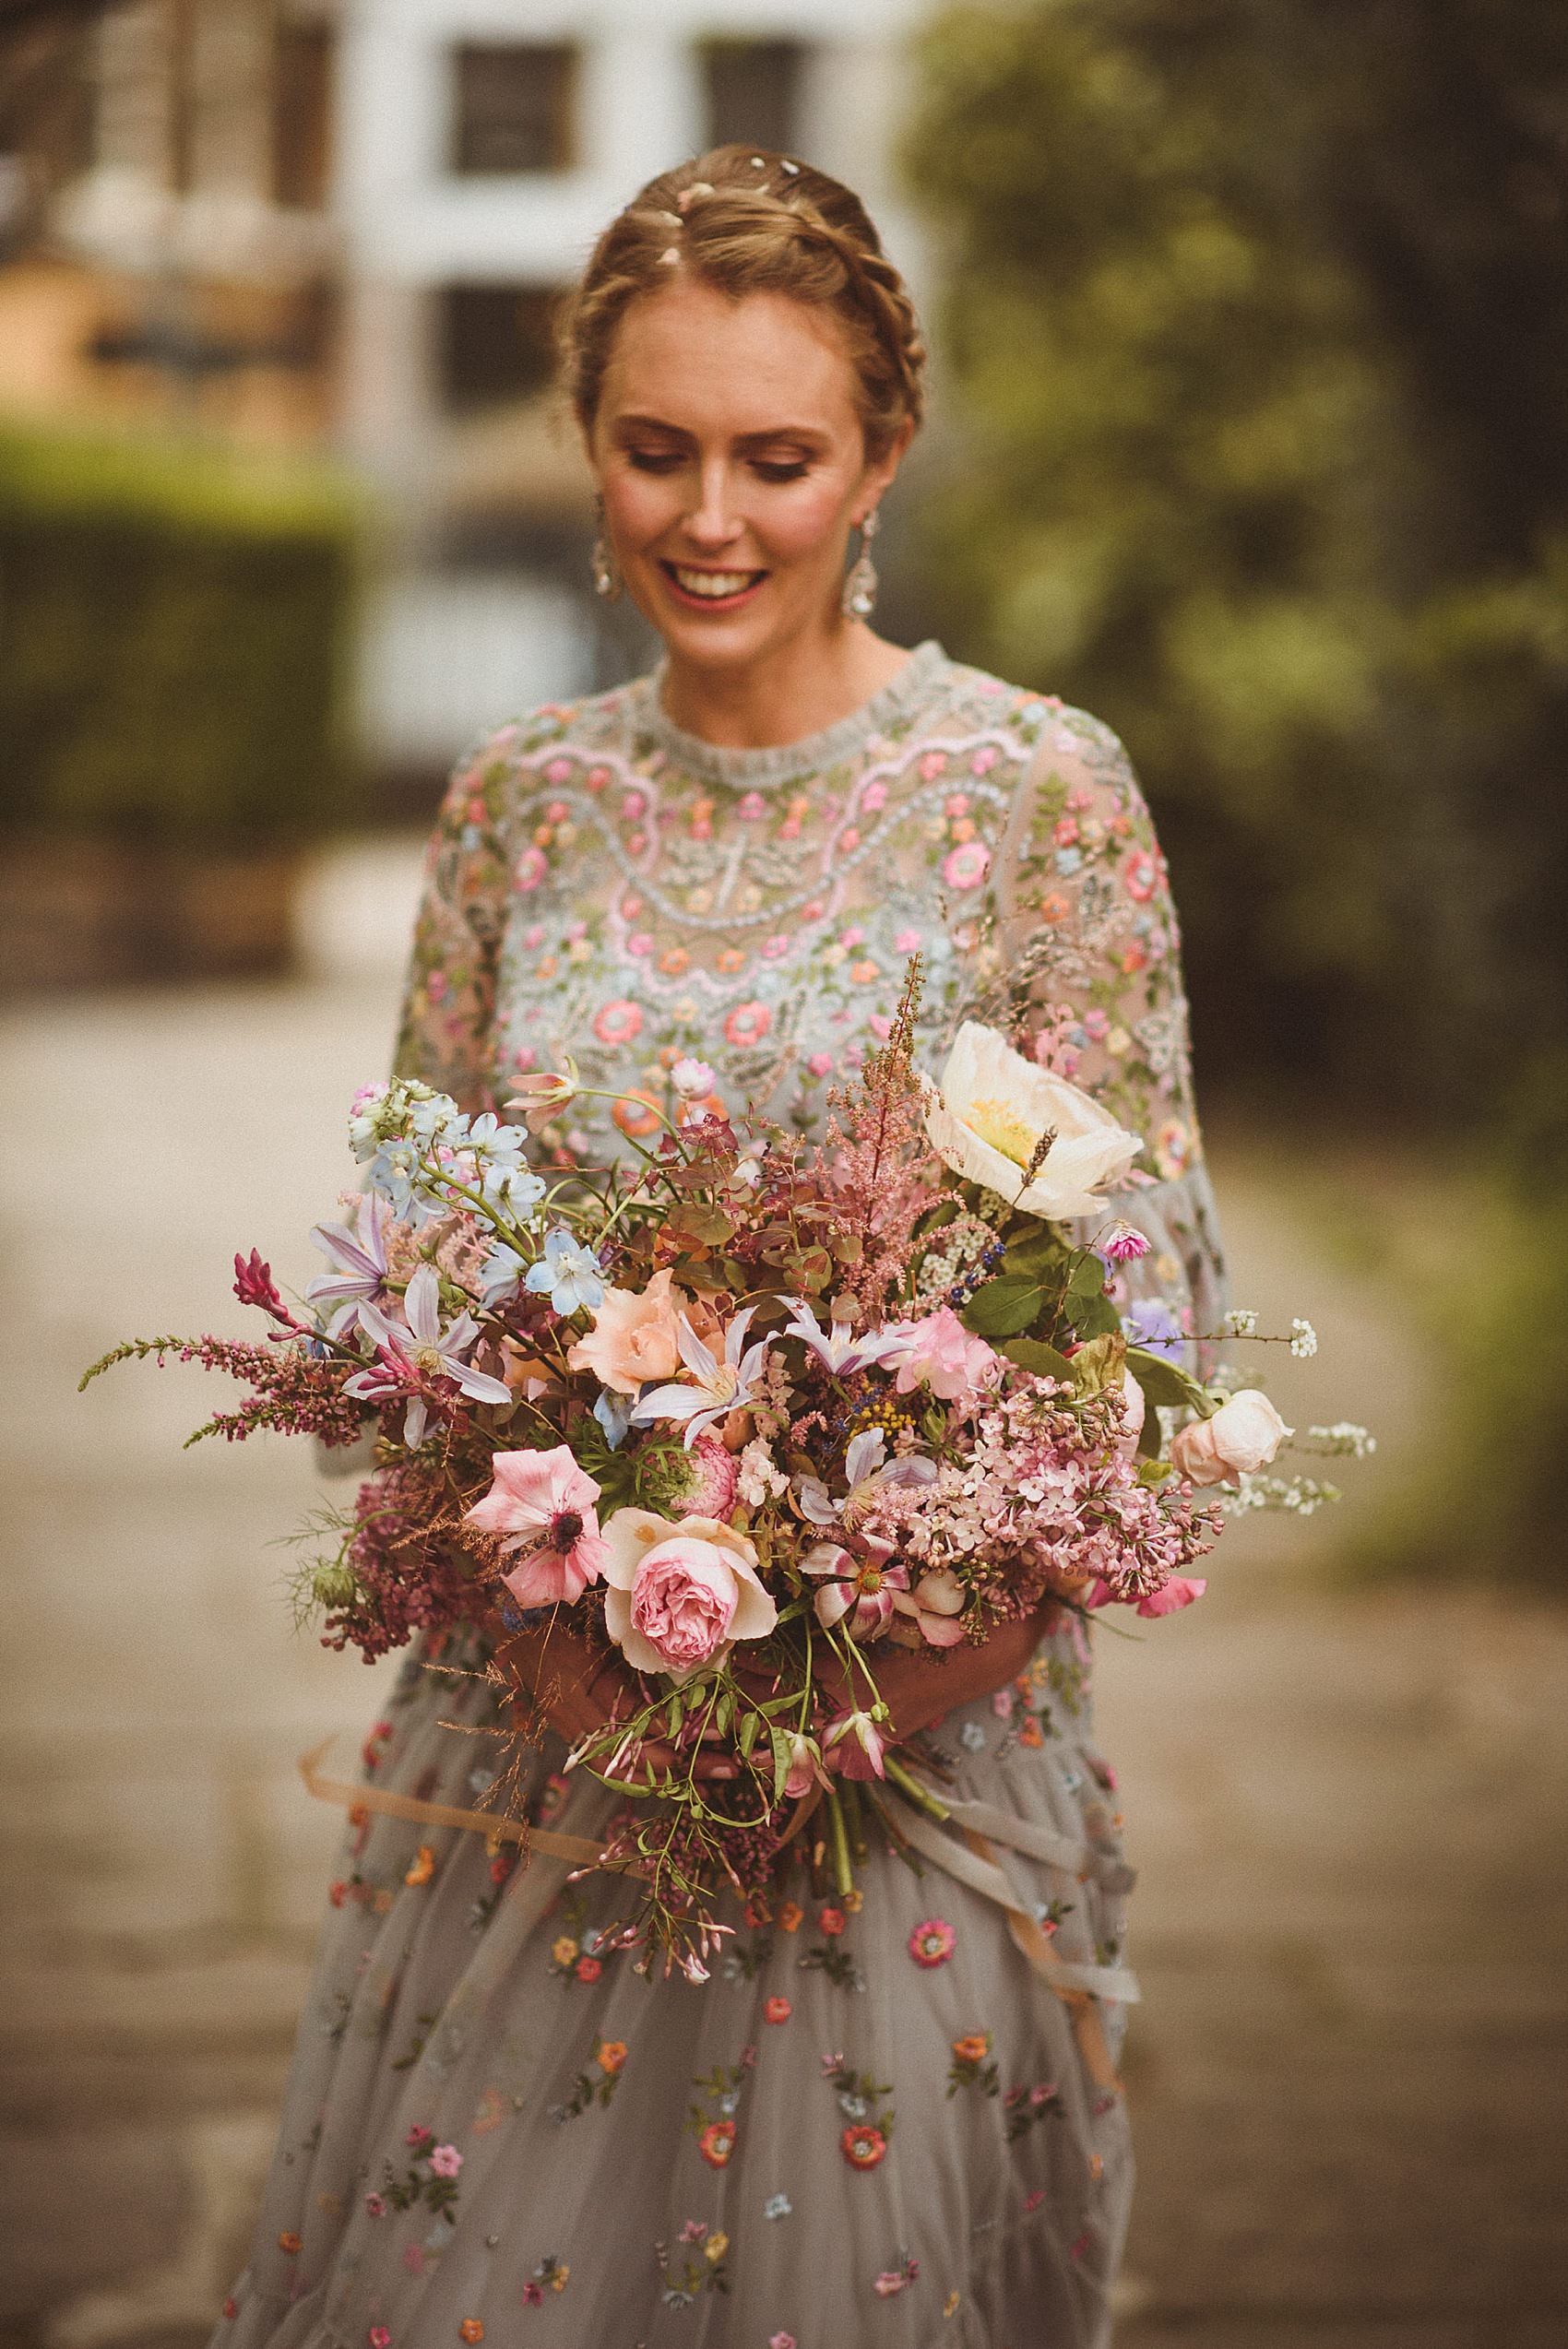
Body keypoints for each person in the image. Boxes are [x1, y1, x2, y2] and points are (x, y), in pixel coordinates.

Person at [216, 147, 1224, 2349]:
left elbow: (1137, 1313)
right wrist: (559, 1623)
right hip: (536, 1749)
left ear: (881, 455)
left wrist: (858, 1689)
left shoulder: (1033, 792)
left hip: (916, 1761)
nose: (710, 515)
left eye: (779, 456)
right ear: (589, 441)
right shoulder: (516, 806)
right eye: (655, 447)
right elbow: (417, 1283)